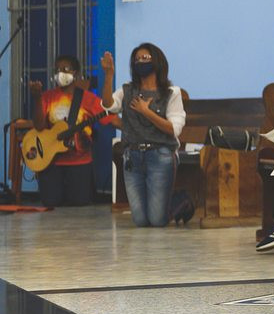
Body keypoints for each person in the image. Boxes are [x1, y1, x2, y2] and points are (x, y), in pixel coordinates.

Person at [101, 44, 186, 228]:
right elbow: (108, 105)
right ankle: (164, 205)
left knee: (157, 220)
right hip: (132, 156)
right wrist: (108, 75)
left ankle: (182, 203)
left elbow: (173, 129)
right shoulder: (127, 90)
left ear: (157, 61)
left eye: (145, 58)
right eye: (137, 59)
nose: (140, 61)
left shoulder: (171, 93)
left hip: (161, 155)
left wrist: (146, 111)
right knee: (140, 220)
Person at [28, 55, 110, 207]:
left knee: (80, 202)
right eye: (57, 70)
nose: (61, 73)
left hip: (79, 160)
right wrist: (37, 99)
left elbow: (110, 118)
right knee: (50, 202)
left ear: (75, 73)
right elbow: (39, 126)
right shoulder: (47, 97)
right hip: (52, 161)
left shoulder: (88, 98)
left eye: (65, 69)